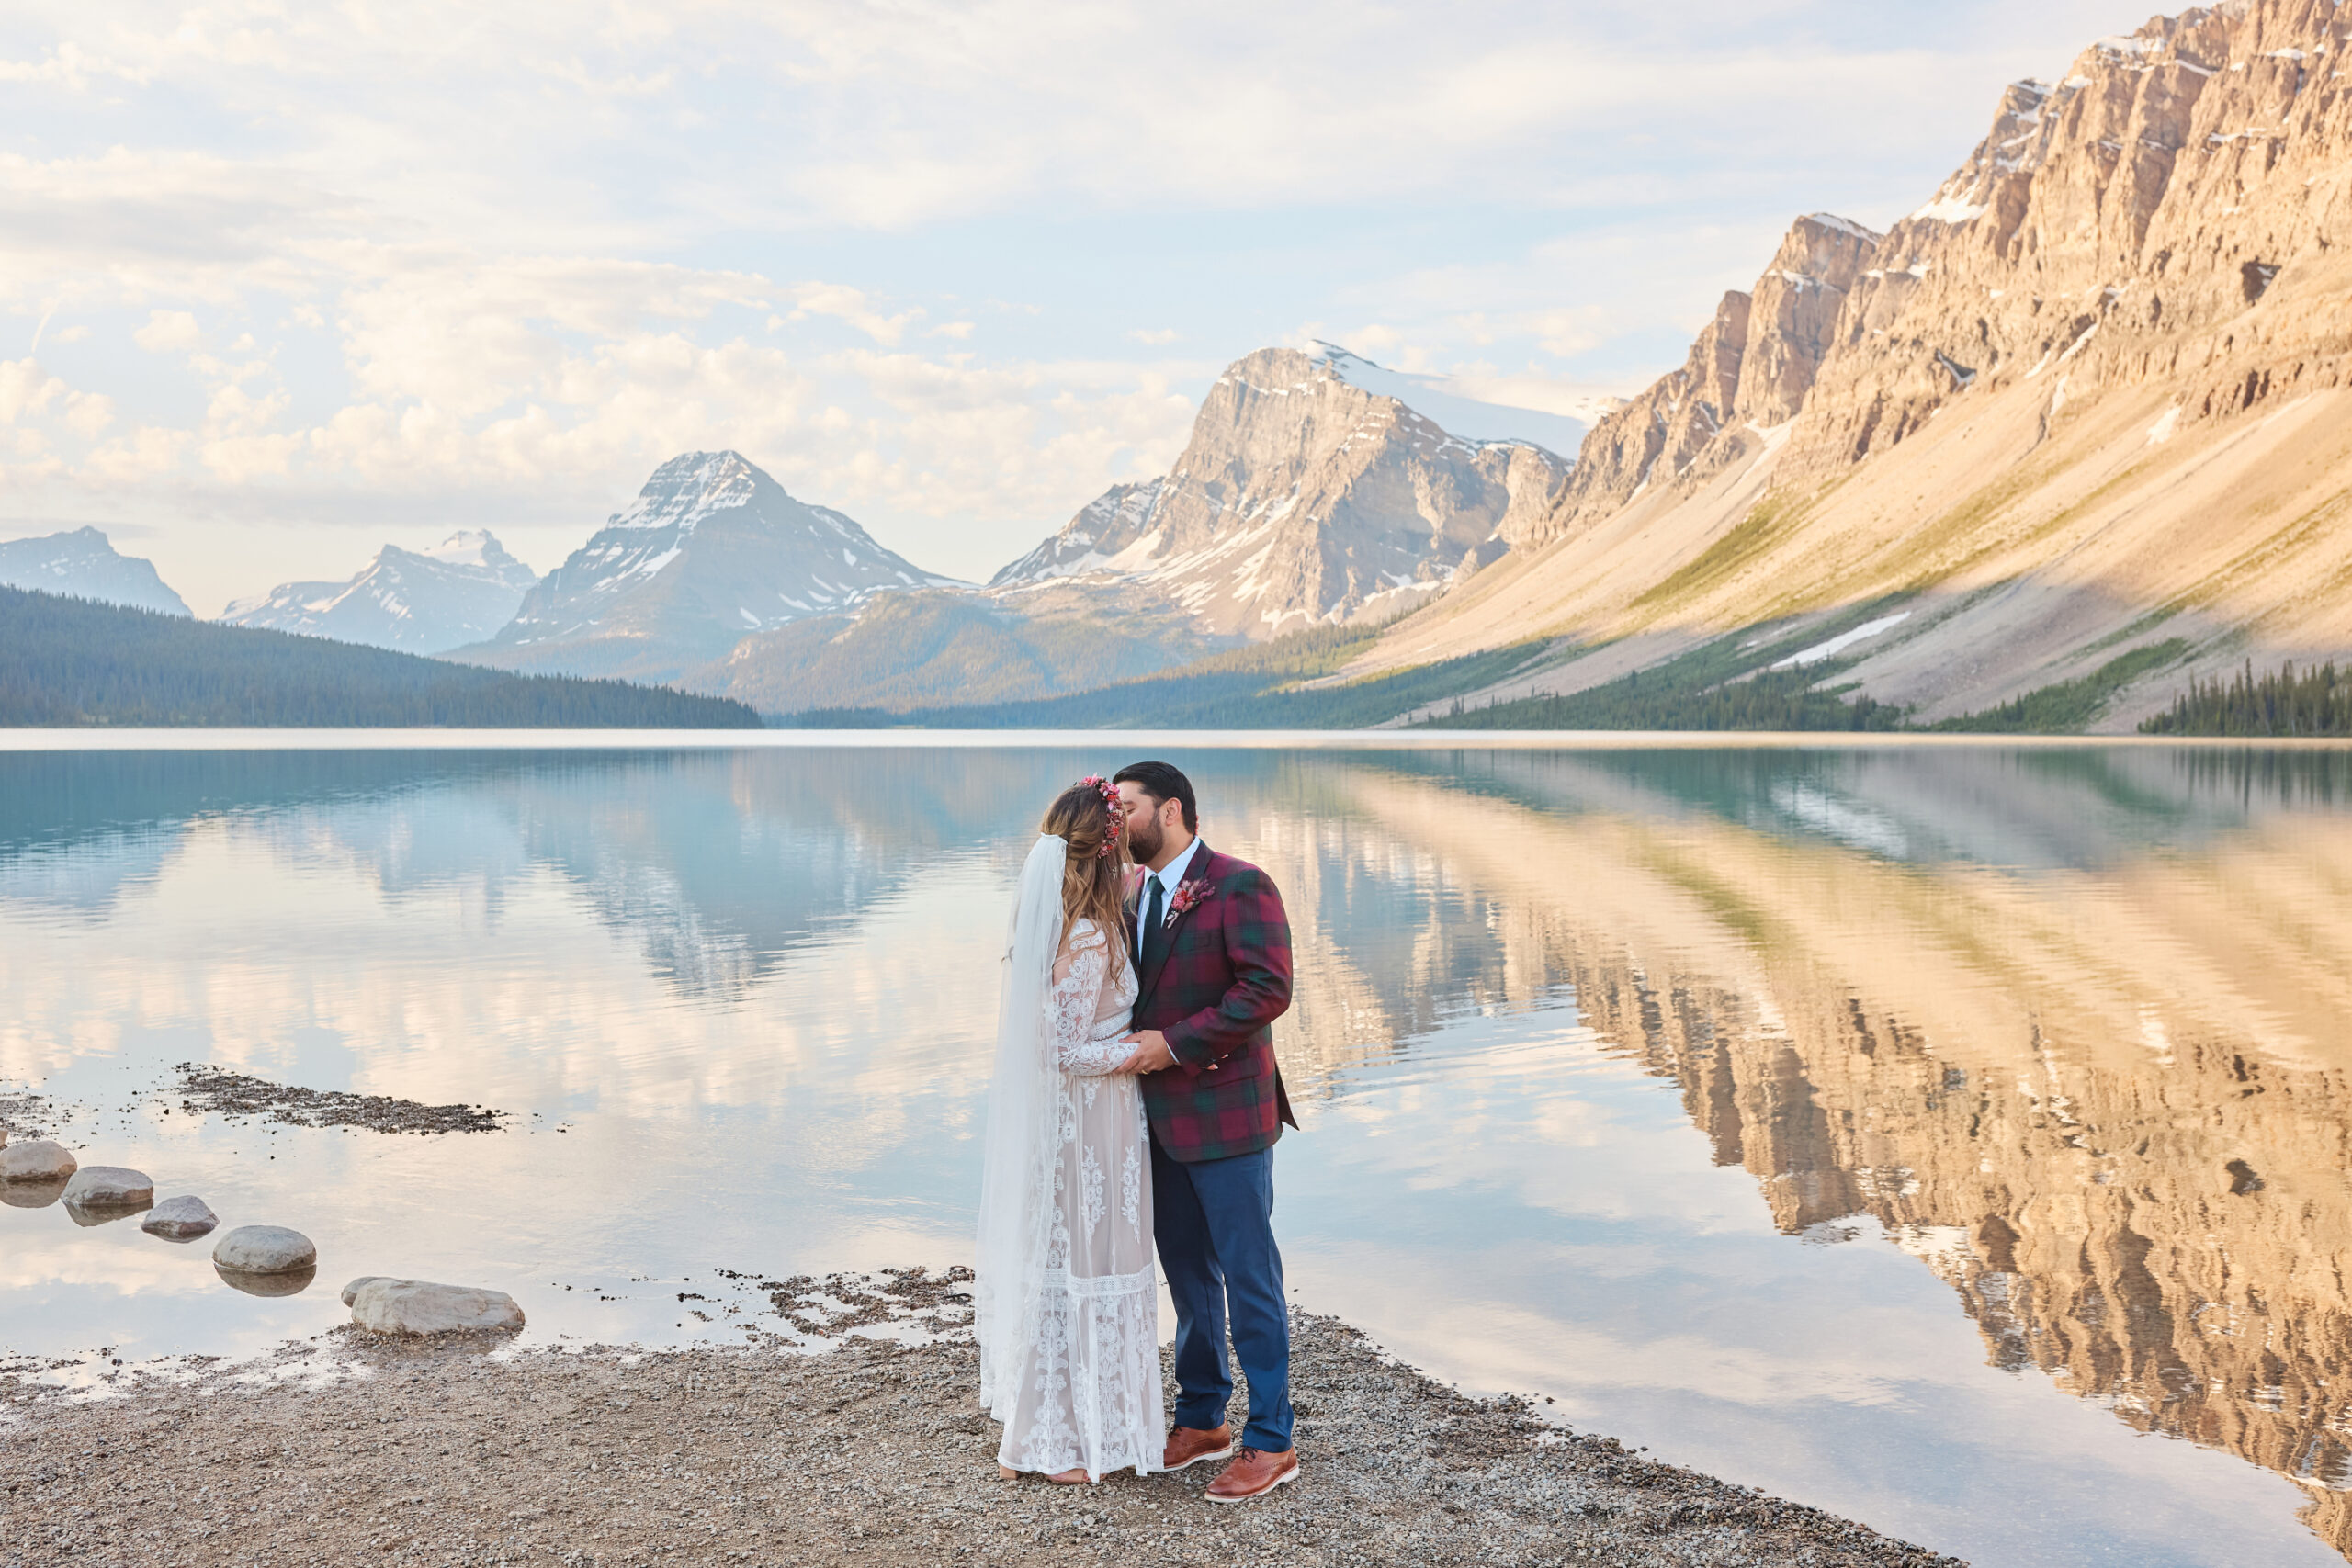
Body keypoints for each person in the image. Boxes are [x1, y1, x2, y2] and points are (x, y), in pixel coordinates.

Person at [1111, 760, 1301, 1504]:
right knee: (1189, 1277)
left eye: (1126, 807)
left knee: (1250, 1278)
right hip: (1153, 1123)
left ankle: (1273, 1440)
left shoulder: (1241, 883)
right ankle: (1202, 1417)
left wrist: (1175, 1042)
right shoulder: (1129, 892)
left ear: (1172, 811)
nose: (1115, 820)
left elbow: (1268, 988)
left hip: (1226, 1116)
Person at [974, 777, 1165, 1483]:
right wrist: (1136, 1049)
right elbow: (1061, 1049)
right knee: (1091, 1264)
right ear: (1105, 850)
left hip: (1096, 1120)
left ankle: (1065, 1430)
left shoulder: (1078, 918)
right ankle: (1069, 1443)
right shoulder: (1085, 935)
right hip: (1094, 1121)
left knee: (1081, 1266)